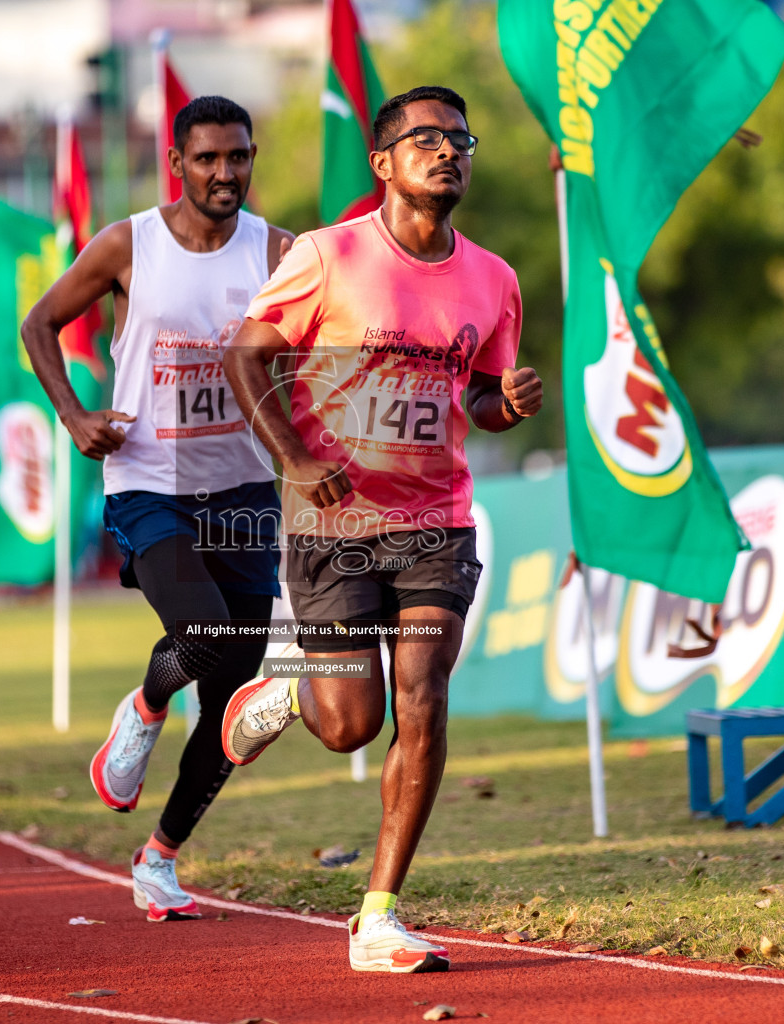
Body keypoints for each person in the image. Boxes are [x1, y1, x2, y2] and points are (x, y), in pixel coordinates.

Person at [221, 85, 542, 973]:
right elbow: (248, 354)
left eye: (460, 140)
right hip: (334, 522)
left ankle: (379, 915)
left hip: (437, 521)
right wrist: (292, 456)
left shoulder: (495, 277)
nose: (449, 153)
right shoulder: (327, 257)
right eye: (427, 139)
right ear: (384, 162)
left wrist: (503, 404)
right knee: (351, 727)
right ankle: (292, 690)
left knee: (427, 700)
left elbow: (479, 391)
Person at [21, 96, 296, 923]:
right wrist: (73, 417)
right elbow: (39, 324)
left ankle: (160, 859)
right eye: (209, 158)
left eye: (239, 157)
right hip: (147, 478)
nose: (226, 173)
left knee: (234, 703)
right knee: (205, 637)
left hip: (244, 486)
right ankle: (143, 711)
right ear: (177, 163)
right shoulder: (127, 243)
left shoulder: (279, 252)